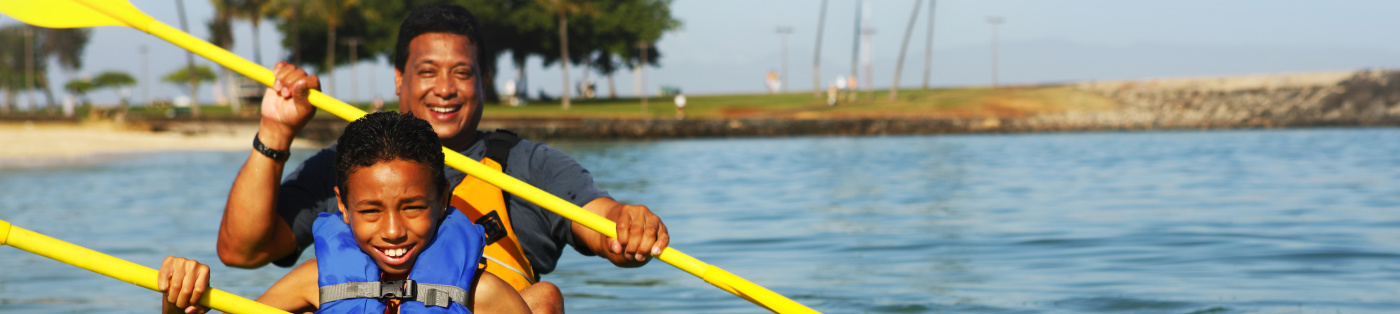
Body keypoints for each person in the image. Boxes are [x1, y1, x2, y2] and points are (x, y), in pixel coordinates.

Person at [216, 4, 670, 314]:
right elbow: (242, 250)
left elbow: (604, 225)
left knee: (543, 299)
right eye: (428, 71)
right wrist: (276, 131)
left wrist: (627, 225)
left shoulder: (528, 165)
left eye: (461, 72)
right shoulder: (352, 163)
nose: (446, 89)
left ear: (484, 80)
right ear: (399, 78)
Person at [159, 112, 529, 314]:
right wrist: (176, 306)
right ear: (342, 207)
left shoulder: (488, 297)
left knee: (544, 298)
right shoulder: (313, 282)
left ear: (443, 198)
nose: (393, 231)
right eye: (370, 211)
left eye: (413, 208)